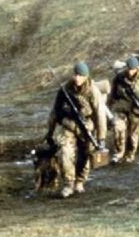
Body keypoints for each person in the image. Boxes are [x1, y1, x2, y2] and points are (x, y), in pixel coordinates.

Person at [45, 62, 105, 198]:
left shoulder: (92, 91)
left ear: (86, 77)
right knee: (65, 153)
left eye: (80, 75)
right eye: (76, 74)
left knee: (86, 154)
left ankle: (80, 181)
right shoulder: (65, 89)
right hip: (69, 125)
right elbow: (55, 111)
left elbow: (99, 115)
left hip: (87, 126)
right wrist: (50, 132)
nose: (77, 78)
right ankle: (68, 184)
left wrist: (101, 138)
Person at [108, 57, 139, 163]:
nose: (130, 71)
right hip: (121, 106)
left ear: (136, 68)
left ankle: (130, 154)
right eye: (128, 69)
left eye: (132, 69)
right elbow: (112, 93)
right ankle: (118, 153)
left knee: (133, 134)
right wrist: (109, 107)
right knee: (118, 128)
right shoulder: (119, 77)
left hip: (136, 109)